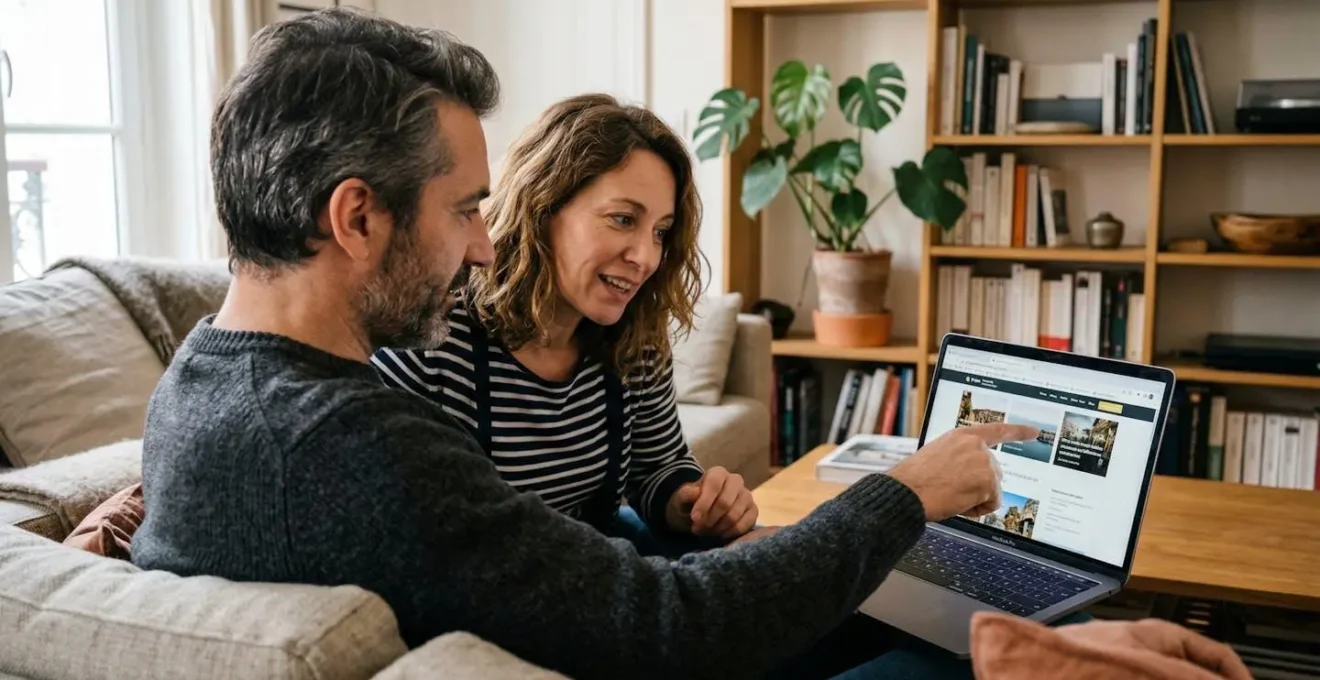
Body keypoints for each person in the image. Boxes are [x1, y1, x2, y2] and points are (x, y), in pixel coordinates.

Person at [129, 8, 1030, 679]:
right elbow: (675, 627)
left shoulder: (196, 382)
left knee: (924, 615)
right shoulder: (361, 450)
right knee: (965, 655)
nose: (484, 243)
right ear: (358, 215)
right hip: (634, 643)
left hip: (596, 604)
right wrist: (902, 491)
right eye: (464, 210)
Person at [371, 93, 756, 551]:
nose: (647, 257)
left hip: (599, 566)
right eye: (622, 219)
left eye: (659, 231)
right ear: (542, 208)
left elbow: (658, 466)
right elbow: (423, 540)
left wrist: (692, 502)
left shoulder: (635, 338)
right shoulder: (432, 343)